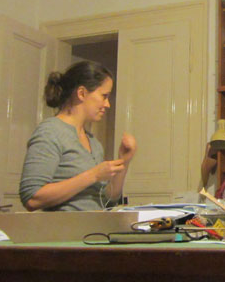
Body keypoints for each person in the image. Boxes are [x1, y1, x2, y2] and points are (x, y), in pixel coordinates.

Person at [19, 60, 137, 211]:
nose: (107, 104)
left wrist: (124, 160)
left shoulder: (93, 142)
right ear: (81, 93)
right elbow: (32, 198)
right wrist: (94, 175)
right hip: (65, 226)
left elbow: (108, 200)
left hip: (95, 225)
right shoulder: (50, 132)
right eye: (104, 96)